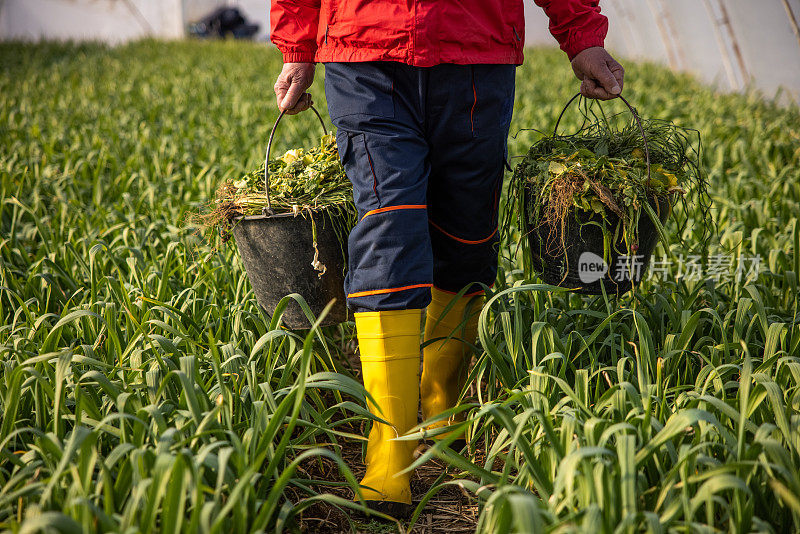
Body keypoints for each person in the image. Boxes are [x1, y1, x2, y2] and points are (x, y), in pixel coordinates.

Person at [269, 0, 624, 519]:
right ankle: (390, 447)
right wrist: (296, 45)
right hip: (367, 51)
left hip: (476, 51)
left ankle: (441, 416)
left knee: (467, 237)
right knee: (391, 224)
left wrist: (582, 35)